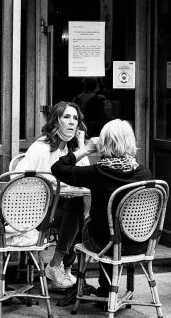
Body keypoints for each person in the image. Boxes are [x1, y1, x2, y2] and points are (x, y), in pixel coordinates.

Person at [51, 119, 153, 299]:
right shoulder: (144, 173)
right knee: (109, 227)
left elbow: (58, 168)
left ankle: (97, 286)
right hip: (140, 243)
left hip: (104, 244)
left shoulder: (98, 173)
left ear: (104, 143)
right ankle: (108, 291)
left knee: (94, 223)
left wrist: (87, 149)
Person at [22, 101, 90, 290]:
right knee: (77, 213)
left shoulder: (72, 150)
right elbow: (19, 178)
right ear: (56, 121)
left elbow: (86, 176)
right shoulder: (41, 147)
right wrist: (48, 182)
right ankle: (60, 266)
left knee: (79, 213)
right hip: (35, 209)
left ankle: (60, 266)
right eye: (66, 117)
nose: (72, 122)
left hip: (59, 208)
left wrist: (82, 146)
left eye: (75, 118)